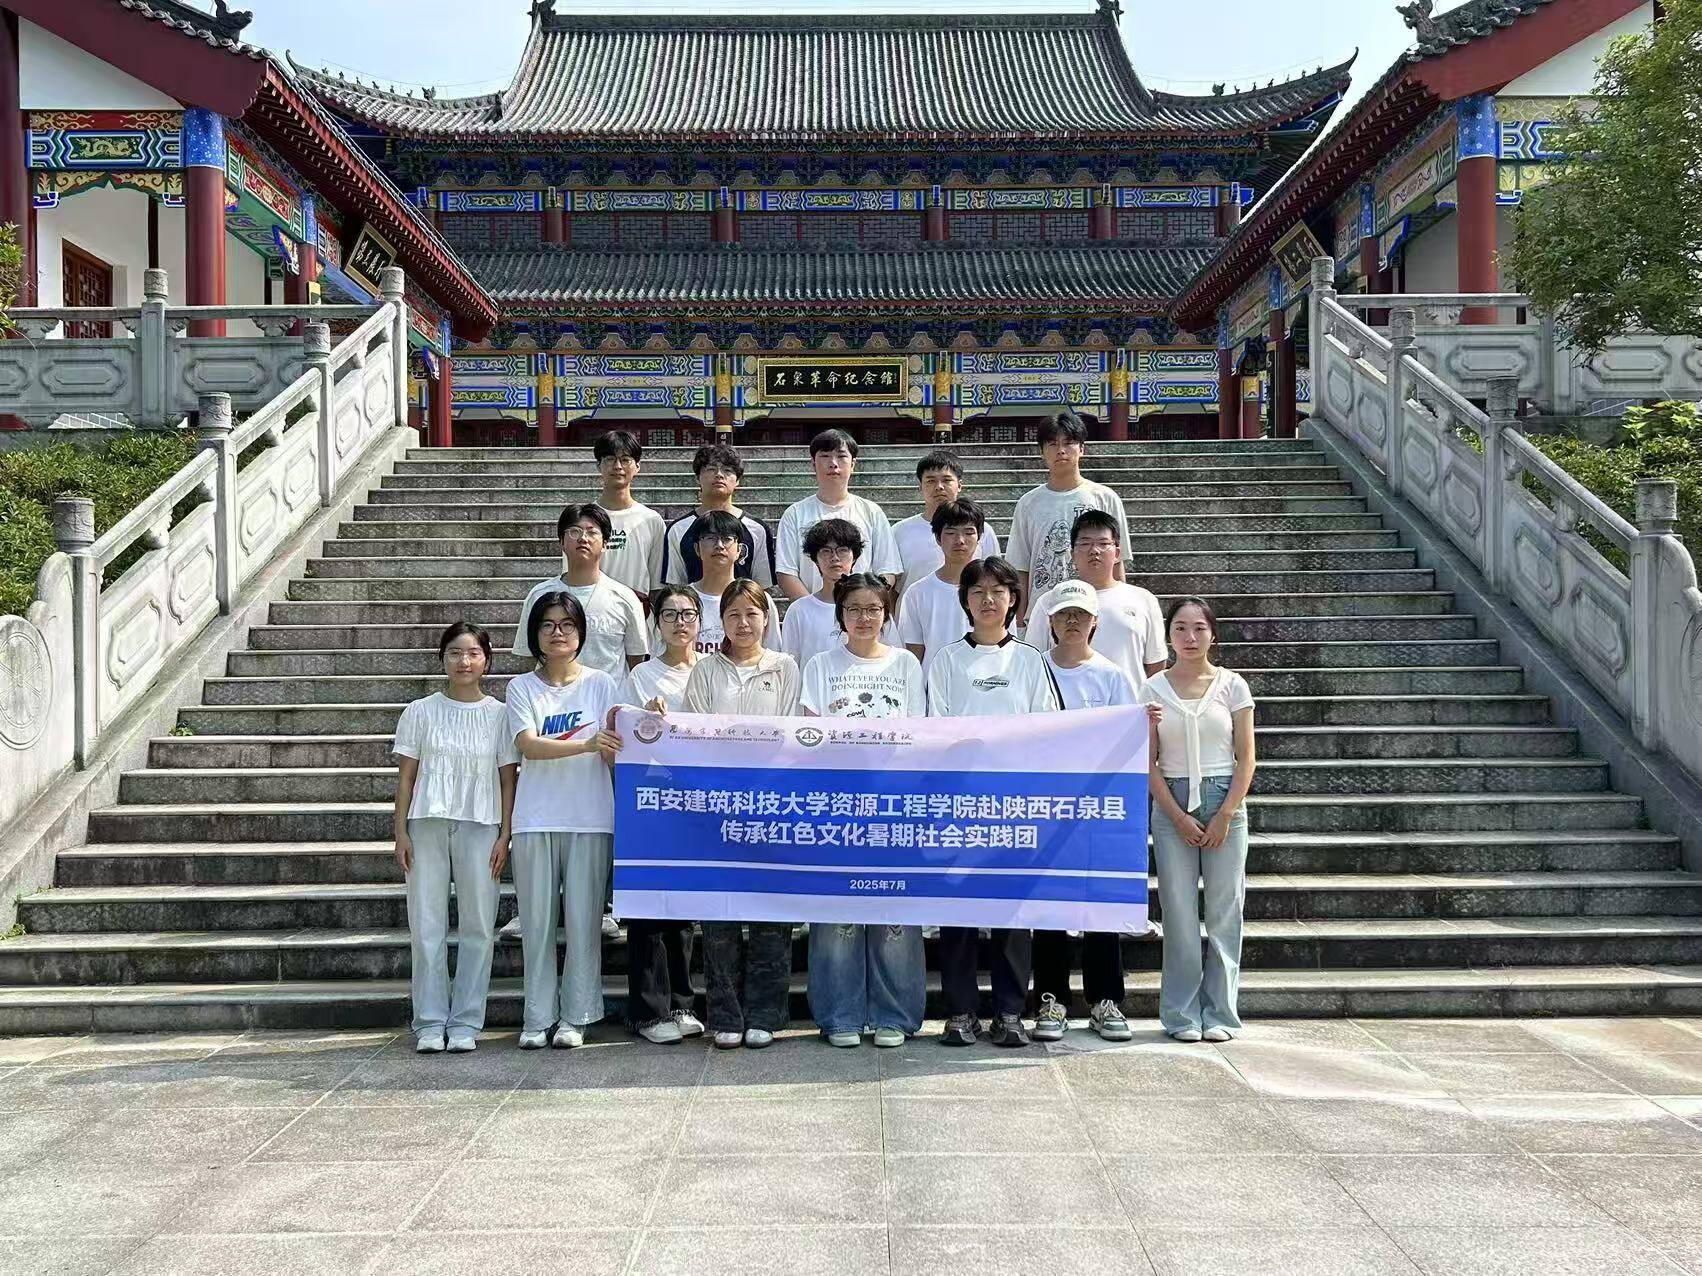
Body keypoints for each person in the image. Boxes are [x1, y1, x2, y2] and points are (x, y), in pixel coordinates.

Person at [925, 556, 1061, 1048]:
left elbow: (1047, 729)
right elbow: (935, 729)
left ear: (1012, 600)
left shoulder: (1030, 660)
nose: (988, 599)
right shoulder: (946, 660)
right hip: (958, 804)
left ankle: (1009, 1011)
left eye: (998, 591)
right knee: (958, 910)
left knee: (1011, 911)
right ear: (965, 600)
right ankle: (961, 1011)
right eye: (978, 591)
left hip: (1013, 803)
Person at [801, 573, 927, 1047]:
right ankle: (840, 1015)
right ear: (840, 615)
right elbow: (811, 737)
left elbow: (917, 734)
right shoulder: (820, 665)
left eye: (873, 609)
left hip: (894, 805)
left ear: (887, 614)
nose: (864, 617)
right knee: (839, 912)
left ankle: (895, 1015)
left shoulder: (905, 665)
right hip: (836, 805)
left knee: (894, 910)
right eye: (853, 609)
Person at [681, 579, 803, 1048]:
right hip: (719, 807)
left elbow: (791, 735)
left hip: (773, 806)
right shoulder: (705, 670)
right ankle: (725, 1016)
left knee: (772, 913)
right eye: (734, 614)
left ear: (767, 619)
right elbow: (694, 735)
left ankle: (766, 1015)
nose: (744, 623)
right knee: (721, 914)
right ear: (722, 622)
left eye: (752, 613)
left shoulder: (785, 667)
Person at [391, 622, 517, 1054]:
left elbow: (508, 780)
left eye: (473, 653)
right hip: (426, 824)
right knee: (426, 924)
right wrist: (400, 832)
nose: (464, 661)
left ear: (487, 660)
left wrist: (505, 834)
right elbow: (406, 778)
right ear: (442, 659)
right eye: (455, 653)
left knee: (478, 925)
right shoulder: (419, 711)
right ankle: (429, 1021)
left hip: (482, 825)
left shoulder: (500, 715)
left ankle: (465, 1021)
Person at [505, 591, 623, 1049]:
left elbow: (619, 745)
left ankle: (577, 1015)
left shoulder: (602, 683)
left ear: (580, 633)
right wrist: (588, 744)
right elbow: (528, 745)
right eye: (548, 625)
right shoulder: (521, 688)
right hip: (535, 817)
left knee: (583, 923)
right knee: (536, 924)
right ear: (534, 633)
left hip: (590, 816)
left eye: (567, 625)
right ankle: (537, 1017)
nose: (558, 633)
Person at [1138, 598, 1257, 1044]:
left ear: (1213, 634)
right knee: (1179, 913)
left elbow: (1246, 758)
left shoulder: (1232, 686)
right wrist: (1177, 816)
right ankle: (1181, 1015)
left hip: (1225, 800)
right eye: (1180, 628)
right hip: (1171, 804)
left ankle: (1221, 1013)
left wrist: (1226, 813)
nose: (1190, 637)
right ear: (1168, 635)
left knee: (1225, 911)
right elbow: (1148, 762)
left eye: (1199, 628)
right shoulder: (1152, 689)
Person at [1028, 580, 1139, 1044]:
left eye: (1080, 614)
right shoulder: (1033, 669)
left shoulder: (1112, 676)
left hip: (1098, 807)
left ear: (1095, 622)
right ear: (1050, 621)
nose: (1072, 621)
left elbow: (1128, 742)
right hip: (1045, 804)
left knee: (1100, 904)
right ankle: (1051, 999)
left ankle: (1105, 999)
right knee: (1048, 903)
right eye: (1063, 614)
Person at [614, 584, 706, 1044]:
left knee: (684, 908)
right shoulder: (640, 676)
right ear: (656, 624)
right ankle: (649, 1012)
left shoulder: (710, 671)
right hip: (651, 799)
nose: (679, 622)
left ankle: (683, 1003)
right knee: (649, 905)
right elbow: (623, 733)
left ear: (700, 622)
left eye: (688, 614)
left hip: (696, 802)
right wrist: (647, 718)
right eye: (669, 614)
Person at [1006, 410, 1132, 628]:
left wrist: (1121, 612)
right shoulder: (1028, 504)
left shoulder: (1105, 498)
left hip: (1095, 614)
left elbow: (1117, 561)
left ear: (1081, 448)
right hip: (1043, 615)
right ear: (1042, 452)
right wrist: (1020, 622)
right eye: (1052, 444)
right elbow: (1020, 566)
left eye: (1069, 443)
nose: (1061, 450)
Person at [1024, 509, 1166, 691]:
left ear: (1117, 553)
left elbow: (1155, 664)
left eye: (1103, 543)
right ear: (1072, 553)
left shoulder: (1143, 600)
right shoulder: (1050, 601)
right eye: (1085, 543)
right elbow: (1033, 660)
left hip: (1128, 705)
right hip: (1066, 704)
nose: (1094, 551)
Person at [513, 503, 648, 681]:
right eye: (574, 532)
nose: (583, 538)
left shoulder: (625, 598)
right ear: (562, 542)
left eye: (592, 532)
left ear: (605, 543)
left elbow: (636, 663)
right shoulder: (539, 595)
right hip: (553, 695)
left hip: (609, 697)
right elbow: (528, 659)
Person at [775, 429, 901, 601]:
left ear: (853, 464)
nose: (833, 463)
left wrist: (862, 605)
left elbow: (888, 570)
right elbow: (786, 572)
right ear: (813, 463)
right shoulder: (794, 514)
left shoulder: (872, 512)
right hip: (811, 611)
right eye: (825, 456)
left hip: (862, 611)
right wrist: (814, 608)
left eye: (841, 456)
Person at [780, 518, 897, 673]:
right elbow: (790, 666)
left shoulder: (875, 608)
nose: (834, 557)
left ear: (854, 557)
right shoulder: (799, 610)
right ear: (815, 559)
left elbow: (893, 658)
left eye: (842, 550)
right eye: (826, 551)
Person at [661, 442, 777, 589]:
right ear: (697, 477)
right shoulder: (678, 530)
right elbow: (675, 587)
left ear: (737, 480)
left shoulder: (757, 529)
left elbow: (762, 587)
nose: (719, 475)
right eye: (711, 469)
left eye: (727, 470)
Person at [898, 497, 988, 684]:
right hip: (935, 688)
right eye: (951, 532)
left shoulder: (995, 593)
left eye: (968, 532)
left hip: (984, 687)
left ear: (979, 537)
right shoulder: (917, 593)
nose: (960, 540)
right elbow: (914, 654)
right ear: (938, 538)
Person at [891, 450, 999, 591]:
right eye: (931, 481)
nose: (939, 487)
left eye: (946, 480)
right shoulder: (899, 531)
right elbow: (892, 587)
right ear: (920, 486)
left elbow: (995, 577)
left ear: (959, 485)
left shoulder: (981, 530)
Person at [683, 510, 781, 655]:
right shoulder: (682, 600)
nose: (719, 545)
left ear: (739, 550)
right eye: (710, 538)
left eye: (727, 538)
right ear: (697, 548)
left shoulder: (759, 599)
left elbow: (773, 653)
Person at [592, 430, 666, 600]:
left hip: (639, 611)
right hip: (593, 610)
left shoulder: (651, 520)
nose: (618, 466)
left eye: (625, 460)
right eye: (610, 459)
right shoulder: (583, 520)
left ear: (637, 466)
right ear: (598, 465)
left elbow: (657, 586)